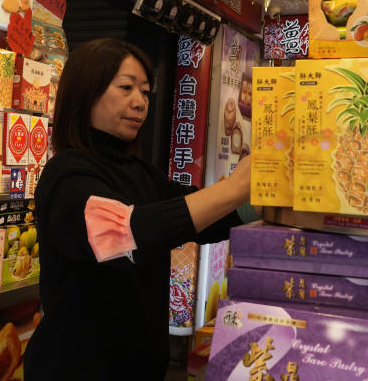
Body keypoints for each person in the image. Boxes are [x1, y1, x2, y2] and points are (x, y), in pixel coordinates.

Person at [24, 38, 251, 380]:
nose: (140, 102)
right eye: (126, 87)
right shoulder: (66, 176)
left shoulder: (142, 174)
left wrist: (265, 197)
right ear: (86, 93)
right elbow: (123, 233)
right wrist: (233, 188)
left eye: (145, 92)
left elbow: (207, 220)